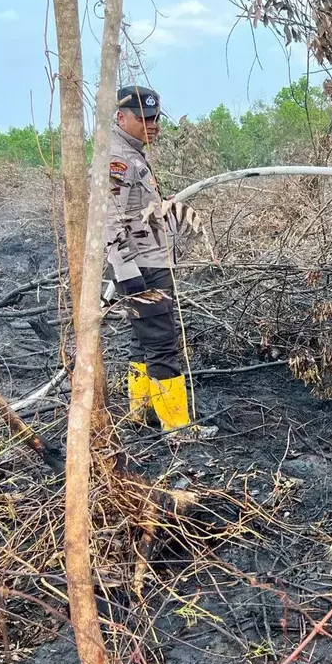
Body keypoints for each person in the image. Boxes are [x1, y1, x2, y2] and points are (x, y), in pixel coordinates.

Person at [103, 85, 216, 439]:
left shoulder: (132, 152)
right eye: (143, 119)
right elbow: (109, 220)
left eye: (155, 118)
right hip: (141, 268)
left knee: (142, 339)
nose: (152, 125)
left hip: (147, 261)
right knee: (163, 342)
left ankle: (143, 412)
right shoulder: (117, 159)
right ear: (121, 117)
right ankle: (177, 426)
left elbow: (137, 213)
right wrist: (128, 275)